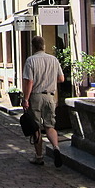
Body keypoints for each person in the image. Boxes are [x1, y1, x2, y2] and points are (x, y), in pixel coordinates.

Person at [22, 35, 65, 167]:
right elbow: (61, 79)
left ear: (33, 46)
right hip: (50, 96)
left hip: (36, 96)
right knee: (50, 126)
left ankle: (39, 157)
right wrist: (50, 81)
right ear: (44, 46)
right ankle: (56, 147)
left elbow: (29, 81)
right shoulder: (53, 59)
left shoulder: (31, 60)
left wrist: (25, 99)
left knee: (36, 128)